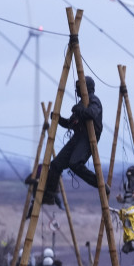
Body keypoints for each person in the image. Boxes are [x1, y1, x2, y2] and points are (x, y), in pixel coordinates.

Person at [43, 76, 105, 206]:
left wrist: (79, 109)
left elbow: (91, 114)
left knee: (75, 163)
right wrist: (58, 119)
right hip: (77, 137)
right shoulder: (80, 104)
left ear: (86, 88)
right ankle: (49, 195)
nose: (76, 91)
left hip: (89, 138)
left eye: (79, 88)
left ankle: (100, 184)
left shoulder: (94, 101)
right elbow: (70, 123)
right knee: (55, 165)